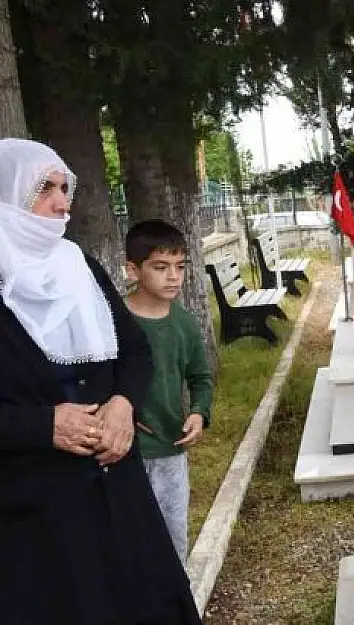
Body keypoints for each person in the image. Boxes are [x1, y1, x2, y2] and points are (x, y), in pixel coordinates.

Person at [0, 139, 202, 624]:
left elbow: (133, 350)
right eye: (44, 188)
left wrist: (123, 405)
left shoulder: (78, 265)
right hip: (33, 512)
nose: (62, 202)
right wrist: (42, 425)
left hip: (116, 488)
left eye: (65, 188)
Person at [124, 219, 214, 566]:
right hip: (122, 454)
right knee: (129, 539)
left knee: (173, 536)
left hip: (170, 451)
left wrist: (198, 413)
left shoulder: (184, 323)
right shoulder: (113, 319)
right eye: (161, 267)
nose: (173, 276)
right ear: (134, 270)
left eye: (180, 267)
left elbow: (201, 377)